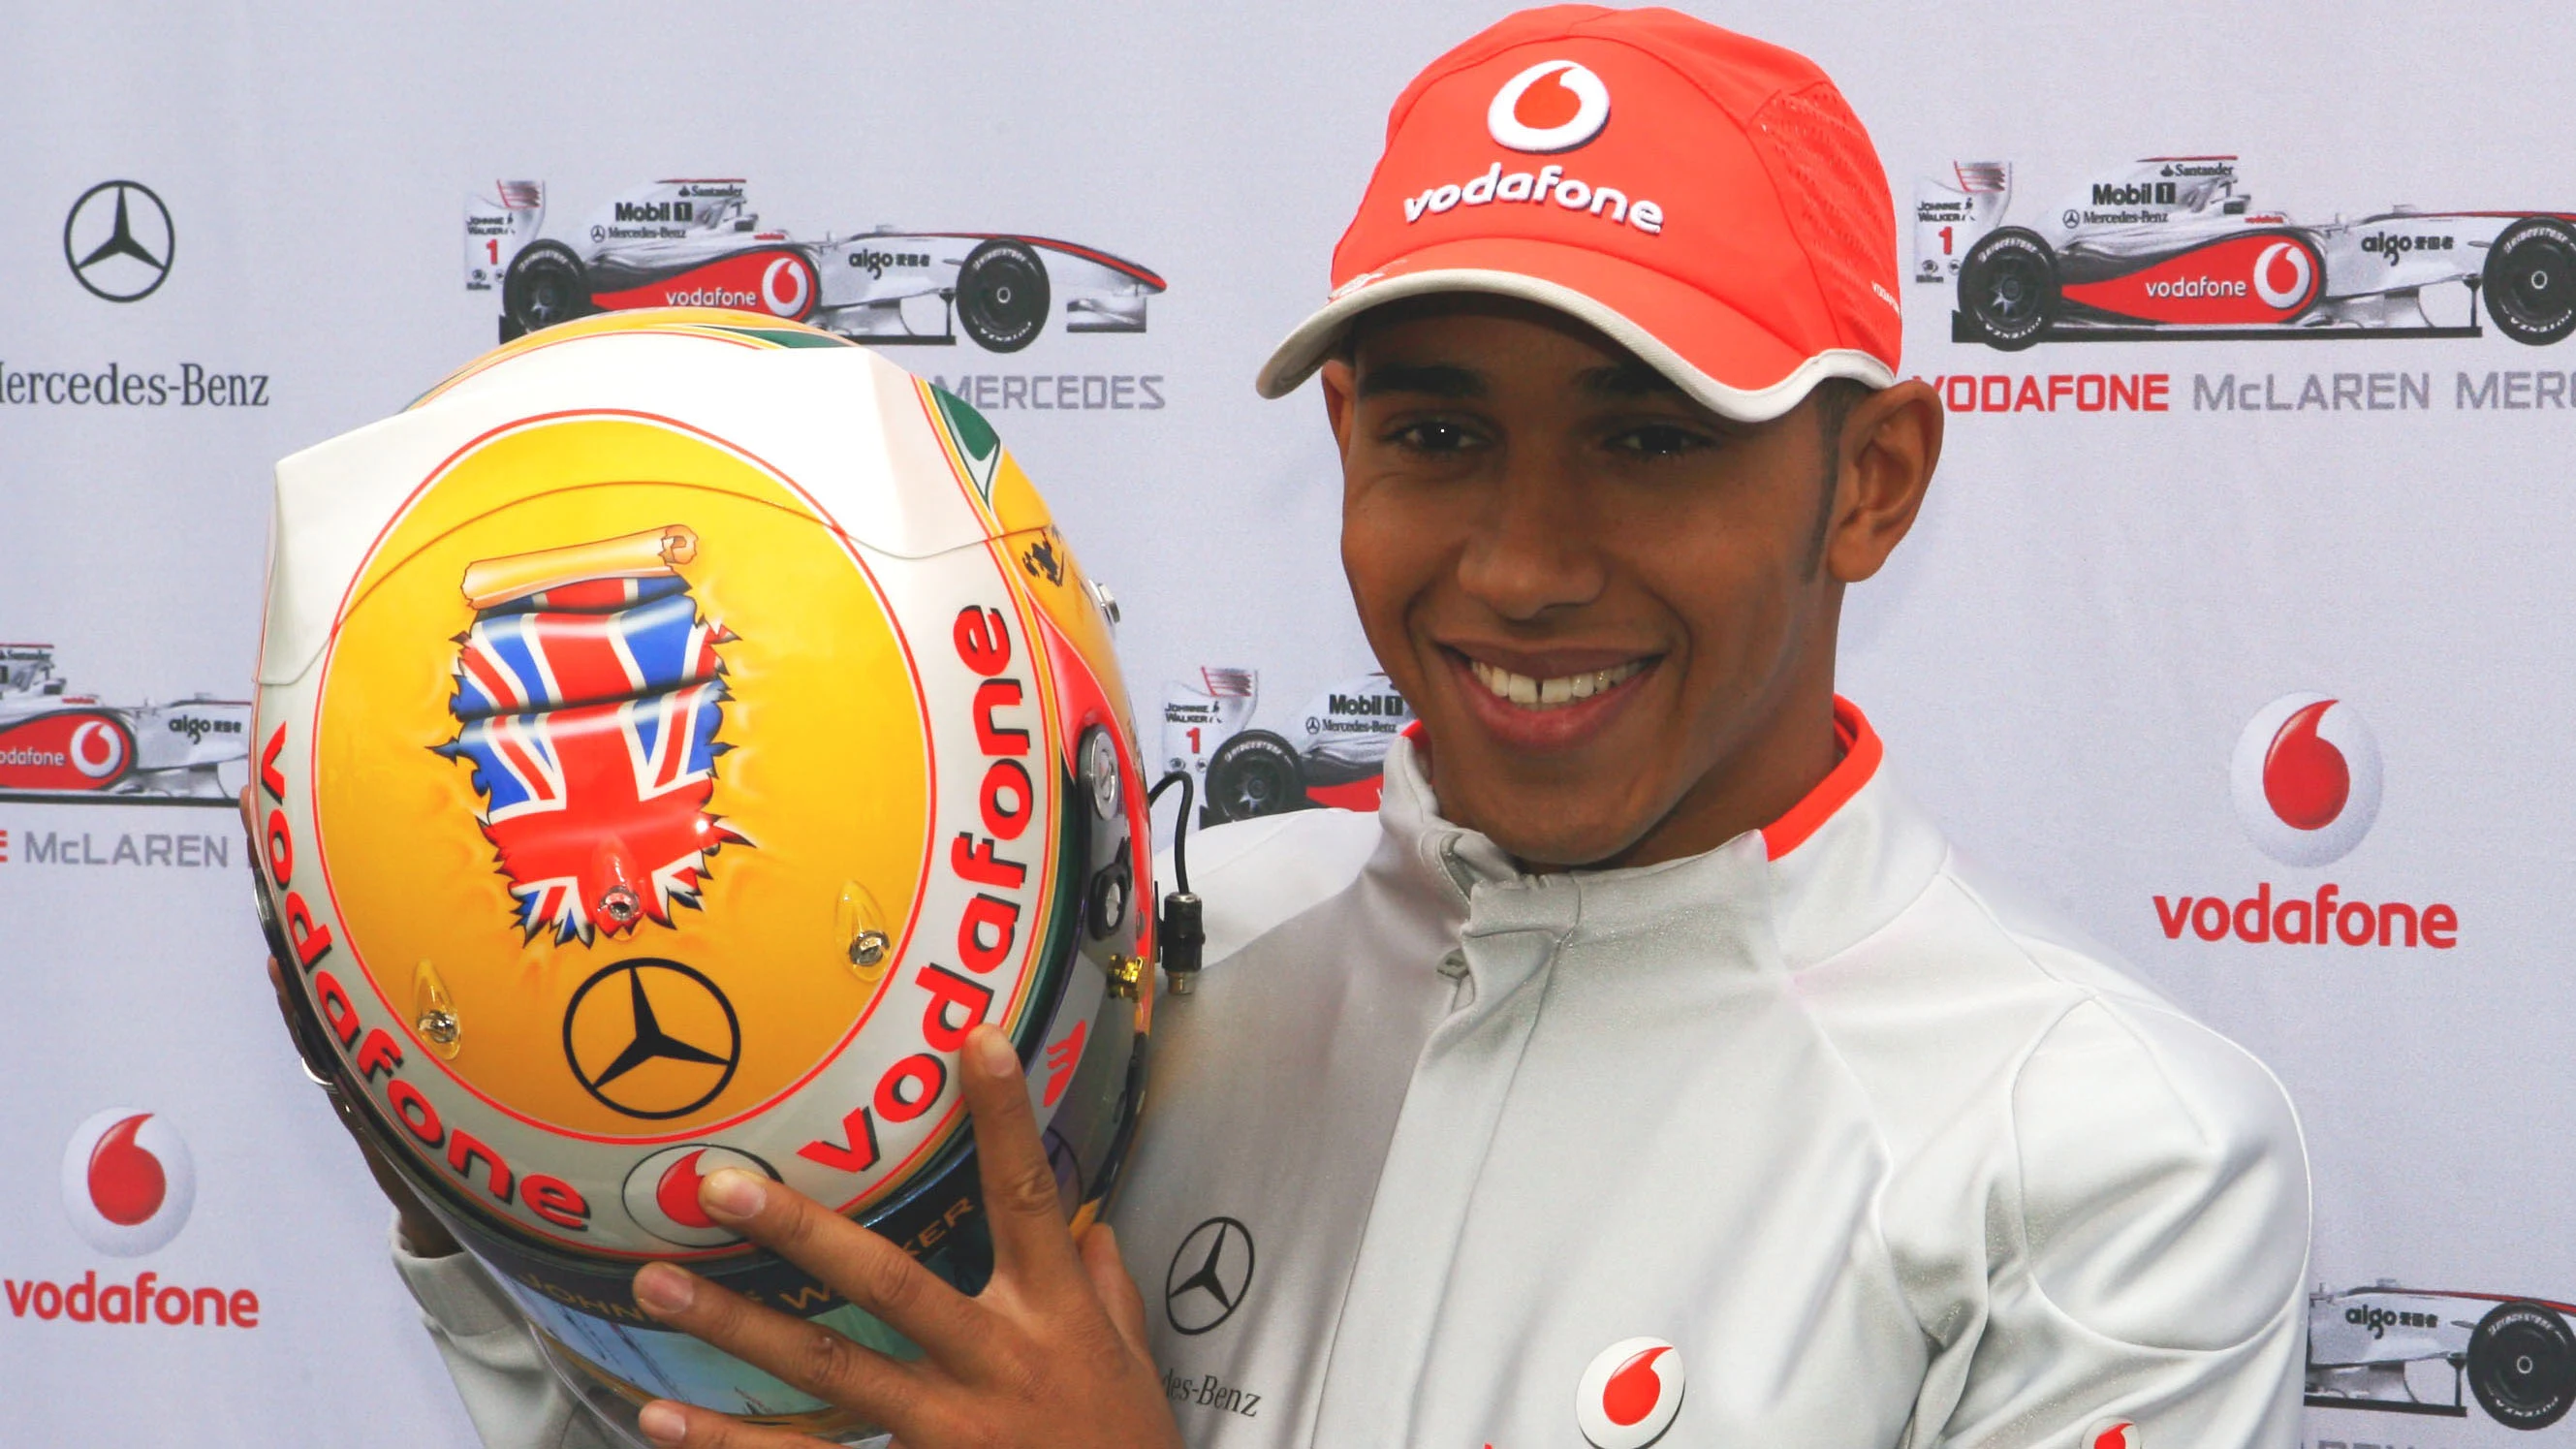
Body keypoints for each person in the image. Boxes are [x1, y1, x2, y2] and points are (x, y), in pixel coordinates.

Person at [300, 8, 2310, 1447]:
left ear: (1870, 480)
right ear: (1344, 440)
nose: (1523, 564)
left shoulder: (2108, 1166)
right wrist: (505, 1214)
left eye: (1647, 439)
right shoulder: (1095, 968)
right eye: (1441, 432)